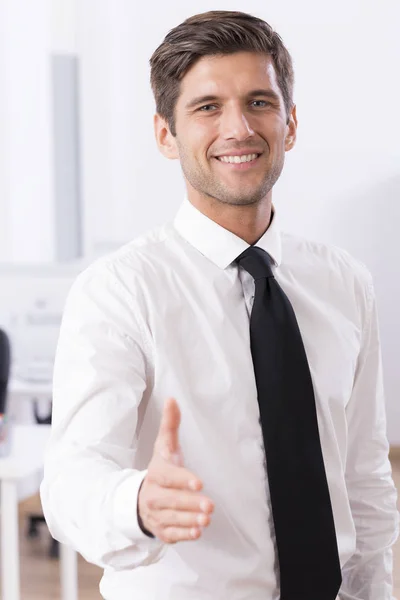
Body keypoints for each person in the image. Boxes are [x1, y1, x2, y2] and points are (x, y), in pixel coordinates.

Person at [41, 10, 399, 600]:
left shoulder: (344, 284)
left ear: (290, 124)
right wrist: (138, 503)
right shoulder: (120, 291)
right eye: (207, 107)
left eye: (259, 102)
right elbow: (71, 481)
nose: (239, 128)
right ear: (165, 134)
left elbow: (363, 480)